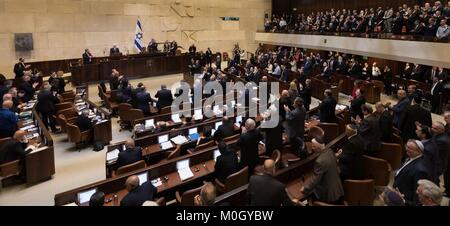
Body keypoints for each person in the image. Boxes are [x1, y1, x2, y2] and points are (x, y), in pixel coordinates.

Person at [301, 136, 344, 204]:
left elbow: (315, 180)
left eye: (314, 146)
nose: (312, 148)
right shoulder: (330, 151)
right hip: (338, 188)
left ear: (318, 148)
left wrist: (305, 188)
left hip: (329, 194)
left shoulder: (319, 161)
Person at [393, 140, 430, 205]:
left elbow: (417, 193)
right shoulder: (411, 157)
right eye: (407, 146)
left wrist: (407, 202)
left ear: (419, 151)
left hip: (405, 199)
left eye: (410, 148)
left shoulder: (420, 170)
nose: (407, 149)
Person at [431, 121, 450, 196]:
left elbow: (432, 149)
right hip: (437, 163)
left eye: (434, 128)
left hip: (438, 165)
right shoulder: (439, 135)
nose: (432, 129)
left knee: (434, 180)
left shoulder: (443, 140)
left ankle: (436, 195)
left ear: (441, 130)